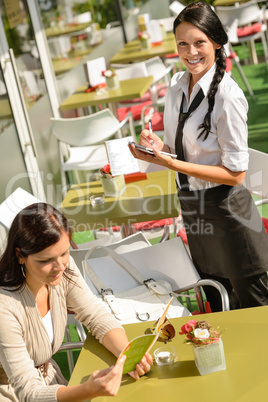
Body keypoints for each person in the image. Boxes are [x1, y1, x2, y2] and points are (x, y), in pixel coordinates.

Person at [129, 2, 268, 312]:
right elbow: (177, 150)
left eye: (199, 42)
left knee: (257, 314)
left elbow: (236, 174)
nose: (190, 51)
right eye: (182, 43)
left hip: (230, 213)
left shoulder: (228, 97)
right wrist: (156, 148)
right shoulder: (177, 89)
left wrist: (172, 163)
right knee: (217, 307)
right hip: (194, 209)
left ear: (216, 42)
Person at [0, 203, 152, 401]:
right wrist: (88, 390)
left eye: (64, 252)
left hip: (48, 383)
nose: (59, 266)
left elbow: (94, 314)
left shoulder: (62, 268)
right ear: (20, 255)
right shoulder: (5, 306)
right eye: (45, 260)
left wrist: (128, 354)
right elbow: (28, 392)